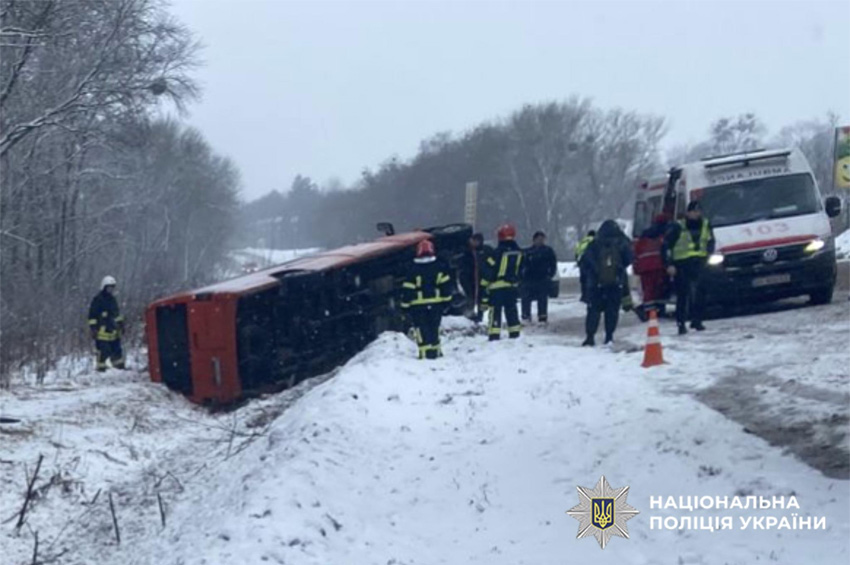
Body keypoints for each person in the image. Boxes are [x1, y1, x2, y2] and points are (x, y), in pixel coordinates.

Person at [663, 201, 716, 335]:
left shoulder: (705, 224)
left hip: (700, 262)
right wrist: (669, 264)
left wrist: (709, 254)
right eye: (694, 211)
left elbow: (710, 240)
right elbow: (666, 246)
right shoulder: (678, 226)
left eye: (699, 211)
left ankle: (697, 320)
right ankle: (681, 323)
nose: (697, 214)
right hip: (682, 264)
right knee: (683, 294)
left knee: (701, 292)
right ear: (688, 213)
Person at [579, 220, 633, 346]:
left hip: (596, 283)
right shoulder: (621, 242)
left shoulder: (594, 243)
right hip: (615, 283)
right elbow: (629, 258)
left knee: (593, 310)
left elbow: (585, 261)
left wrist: (594, 273)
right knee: (612, 310)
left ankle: (590, 336)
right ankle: (609, 336)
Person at [400, 240, 454, 359]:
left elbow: (407, 290)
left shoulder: (412, 269)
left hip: (417, 307)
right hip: (436, 305)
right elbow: (446, 286)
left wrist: (404, 307)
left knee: (421, 329)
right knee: (434, 328)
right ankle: (436, 352)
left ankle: (424, 354)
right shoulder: (439, 267)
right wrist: (447, 302)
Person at [482, 224, 523, 341]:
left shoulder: (497, 252)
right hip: (511, 287)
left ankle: (494, 335)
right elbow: (522, 269)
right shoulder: (518, 252)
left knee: (495, 312)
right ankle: (515, 333)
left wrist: (484, 284)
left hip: (496, 287)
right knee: (511, 310)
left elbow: (489, 269)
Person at [633, 214, 670, 321]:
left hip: (644, 267)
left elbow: (637, 252)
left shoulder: (644, 235)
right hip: (658, 265)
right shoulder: (664, 233)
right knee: (658, 288)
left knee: (648, 290)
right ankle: (655, 311)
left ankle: (649, 311)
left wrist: (636, 267)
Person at [88, 276, 125, 371]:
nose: (110, 290)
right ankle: (101, 368)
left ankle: (119, 367)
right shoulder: (98, 299)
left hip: (113, 329)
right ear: (104, 287)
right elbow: (92, 315)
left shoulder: (112, 299)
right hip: (101, 330)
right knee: (103, 350)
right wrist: (93, 328)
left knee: (117, 349)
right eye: (109, 288)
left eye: (112, 288)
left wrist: (120, 324)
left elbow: (116, 313)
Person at [521, 231, 557, 323]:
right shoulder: (527, 252)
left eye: (542, 239)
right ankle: (526, 316)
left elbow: (553, 264)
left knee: (542, 299)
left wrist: (550, 275)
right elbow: (522, 265)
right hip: (529, 279)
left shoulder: (548, 251)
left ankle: (542, 317)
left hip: (542, 279)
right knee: (526, 298)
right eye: (538, 239)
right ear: (534, 240)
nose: (540, 241)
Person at [575, 230, 596, 303]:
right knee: (591, 279)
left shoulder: (582, 241)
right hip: (591, 263)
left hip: (582, 263)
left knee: (583, 280)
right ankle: (589, 296)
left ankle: (583, 296)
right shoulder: (594, 240)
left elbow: (577, 252)